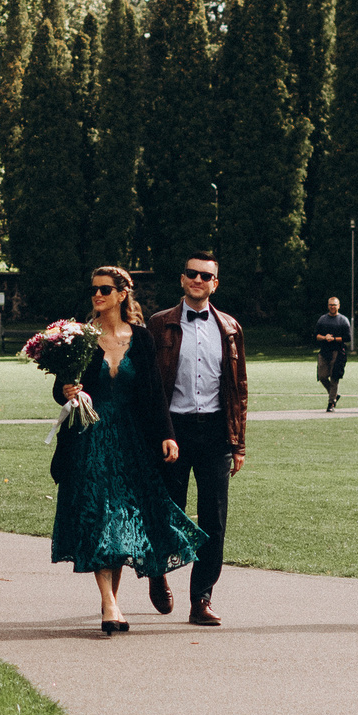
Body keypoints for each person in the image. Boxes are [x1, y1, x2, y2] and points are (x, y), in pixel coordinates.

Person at [51, 266, 205, 634]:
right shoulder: (79, 337)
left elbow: (153, 393)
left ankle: (112, 603)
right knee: (100, 516)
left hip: (131, 442)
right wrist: (67, 392)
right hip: (89, 439)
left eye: (105, 290)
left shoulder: (140, 337)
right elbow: (61, 388)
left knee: (120, 520)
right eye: (93, 291)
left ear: (122, 294)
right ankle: (109, 605)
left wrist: (167, 435)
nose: (97, 296)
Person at [146, 252, 247, 626]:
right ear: (183, 279)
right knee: (169, 512)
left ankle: (201, 599)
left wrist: (238, 443)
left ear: (215, 283)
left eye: (206, 276)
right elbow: (150, 387)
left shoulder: (230, 327)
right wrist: (156, 434)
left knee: (214, 519)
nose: (198, 280)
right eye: (192, 273)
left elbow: (239, 388)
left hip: (216, 432)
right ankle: (158, 571)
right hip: (172, 430)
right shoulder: (159, 325)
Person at [312, 297, 354, 411]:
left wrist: (334, 339)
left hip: (338, 352)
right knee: (322, 376)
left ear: (339, 306)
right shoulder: (322, 319)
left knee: (334, 377)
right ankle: (334, 394)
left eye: (334, 305)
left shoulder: (343, 320)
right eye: (330, 305)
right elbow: (316, 335)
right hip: (324, 351)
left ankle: (331, 403)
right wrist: (325, 337)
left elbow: (347, 338)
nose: (332, 307)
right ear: (328, 306)